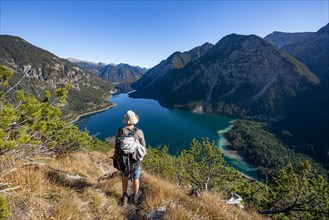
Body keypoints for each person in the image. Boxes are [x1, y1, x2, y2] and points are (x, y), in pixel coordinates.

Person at [115, 110, 146, 205]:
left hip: (123, 160)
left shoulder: (120, 131)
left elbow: (117, 146)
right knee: (136, 178)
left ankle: (124, 196)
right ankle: (135, 196)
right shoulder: (139, 132)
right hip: (135, 160)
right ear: (134, 121)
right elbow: (143, 146)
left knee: (124, 177)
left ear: (126, 121)